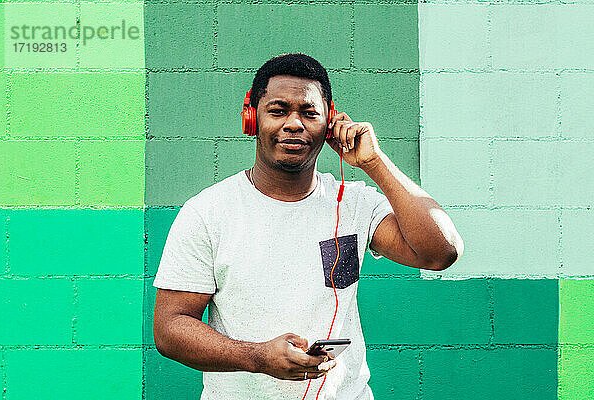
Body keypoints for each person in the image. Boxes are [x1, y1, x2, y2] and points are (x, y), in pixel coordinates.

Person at [152, 53, 464, 400]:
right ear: (251, 119)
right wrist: (257, 357)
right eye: (278, 110)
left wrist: (374, 162)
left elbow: (441, 251)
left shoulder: (354, 202)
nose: (294, 124)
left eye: (309, 112)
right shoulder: (208, 212)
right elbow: (170, 328)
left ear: (329, 123)